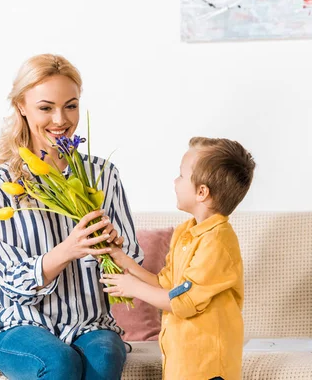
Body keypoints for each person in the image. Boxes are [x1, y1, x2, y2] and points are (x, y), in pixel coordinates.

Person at [0, 53, 143, 380]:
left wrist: (115, 252)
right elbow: (11, 282)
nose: (60, 119)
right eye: (45, 107)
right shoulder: (0, 183)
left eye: (70, 105)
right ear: (22, 106)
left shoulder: (103, 175)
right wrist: (70, 248)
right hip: (21, 324)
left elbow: (132, 265)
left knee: (106, 357)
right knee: (60, 362)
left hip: (91, 322)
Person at [100, 137, 255, 380]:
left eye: (181, 176)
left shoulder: (217, 242)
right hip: (182, 362)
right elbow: (167, 284)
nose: (175, 181)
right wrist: (125, 262)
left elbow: (180, 301)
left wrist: (133, 287)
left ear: (202, 192)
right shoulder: (186, 233)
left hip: (208, 367)